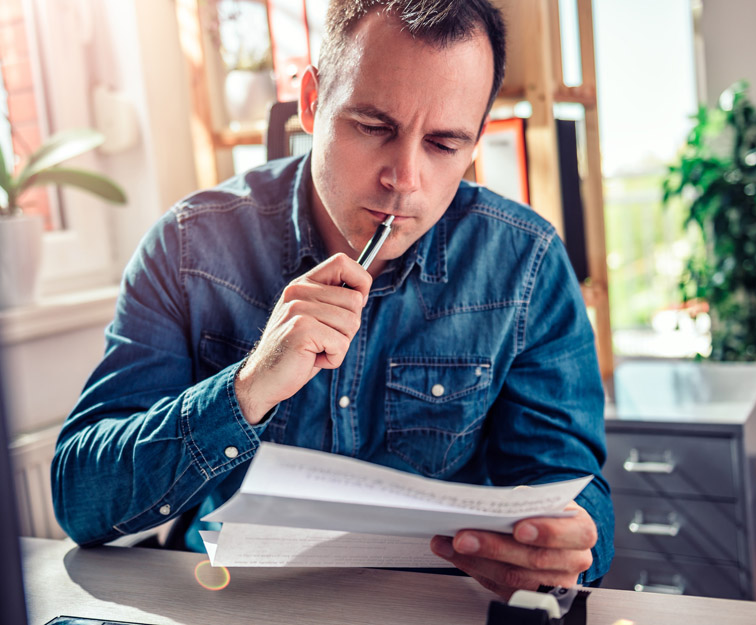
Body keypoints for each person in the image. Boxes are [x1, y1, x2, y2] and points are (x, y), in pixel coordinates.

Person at [52, 0, 612, 598]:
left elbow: (573, 493)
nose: (405, 177)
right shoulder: (190, 248)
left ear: (475, 140)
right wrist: (244, 391)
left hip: (426, 608)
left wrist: (569, 544)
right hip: (227, 601)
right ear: (313, 103)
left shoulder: (525, 264)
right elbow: (80, 500)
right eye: (374, 127)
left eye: (445, 144)